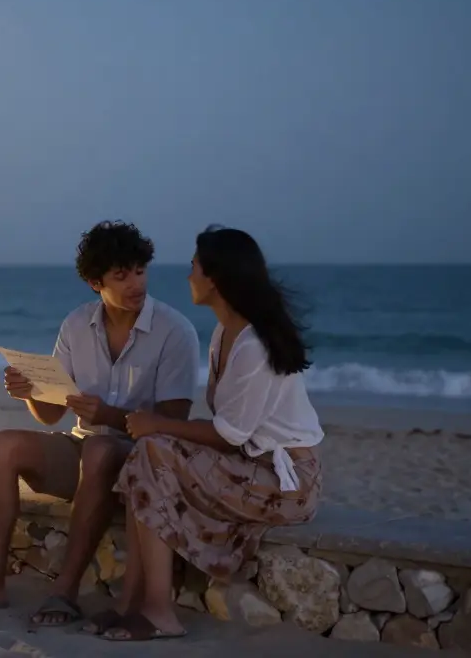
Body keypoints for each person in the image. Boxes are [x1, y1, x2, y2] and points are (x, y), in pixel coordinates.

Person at [0, 220, 201, 629]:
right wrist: (31, 393)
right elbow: (53, 413)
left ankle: (65, 591)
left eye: (139, 271)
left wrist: (108, 416)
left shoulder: (174, 330)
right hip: (84, 451)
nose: (135, 283)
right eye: (120, 275)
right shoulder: (77, 324)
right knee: (2, 444)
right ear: (96, 282)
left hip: (141, 461)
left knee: (100, 448)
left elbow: (173, 424)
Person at [89, 226, 325, 642]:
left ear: (214, 278)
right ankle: (131, 603)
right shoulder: (222, 334)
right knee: (148, 452)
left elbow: (230, 434)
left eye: (194, 268)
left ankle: (159, 612)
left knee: (151, 448)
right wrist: (154, 432)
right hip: (250, 466)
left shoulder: (254, 344)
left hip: (289, 482)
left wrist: (156, 423)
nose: (188, 277)